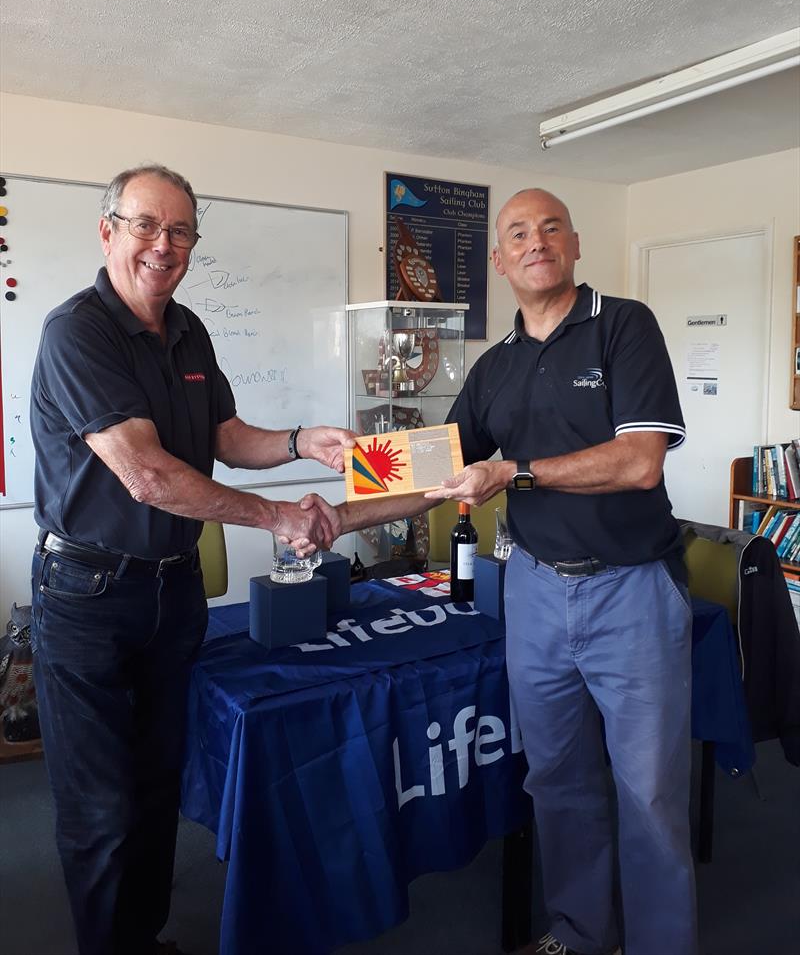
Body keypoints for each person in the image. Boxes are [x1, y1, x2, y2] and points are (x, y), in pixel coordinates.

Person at [321, 189, 695, 955]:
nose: (535, 240)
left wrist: (514, 472)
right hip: (534, 592)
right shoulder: (496, 367)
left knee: (650, 794)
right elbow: (433, 466)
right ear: (498, 260)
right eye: (517, 232)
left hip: (630, 591)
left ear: (575, 243)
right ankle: (585, 934)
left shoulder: (624, 326)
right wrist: (330, 514)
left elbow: (639, 461)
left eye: (550, 226)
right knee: (557, 781)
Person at [29, 163, 354, 955]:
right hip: (88, 596)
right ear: (108, 231)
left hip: (172, 595)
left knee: (155, 785)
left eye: (180, 231)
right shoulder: (77, 331)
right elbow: (147, 473)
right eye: (145, 225)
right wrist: (278, 516)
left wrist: (299, 441)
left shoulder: (189, 330)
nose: (162, 245)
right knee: (100, 807)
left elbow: (220, 439)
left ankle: (140, 938)